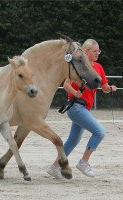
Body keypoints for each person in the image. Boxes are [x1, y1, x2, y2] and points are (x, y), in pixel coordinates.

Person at [47, 39, 117, 178]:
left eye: (99, 51)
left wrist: (110, 88)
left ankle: (55, 167)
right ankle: (84, 162)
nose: (97, 53)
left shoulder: (98, 67)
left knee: (73, 140)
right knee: (99, 132)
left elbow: (103, 87)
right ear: (86, 51)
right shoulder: (79, 66)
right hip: (76, 107)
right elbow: (66, 84)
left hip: (85, 109)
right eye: (95, 51)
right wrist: (75, 93)